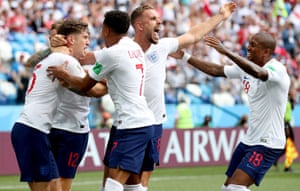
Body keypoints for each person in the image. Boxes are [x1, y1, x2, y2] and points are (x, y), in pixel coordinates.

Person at [49, 3, 237, 190]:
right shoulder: (125, 49)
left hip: (150, 121)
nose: (160, 22)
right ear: (139, 25)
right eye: (153, 18)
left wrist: (221, 15)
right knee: (117, 179)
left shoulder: (161, 46)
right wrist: (60, 44)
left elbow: (194, 35)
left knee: (134, 180)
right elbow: (81, 56)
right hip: (125, 121)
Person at [46, 10, 156, 191]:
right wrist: (58, 47)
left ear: (105, 30)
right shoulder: (133, 47)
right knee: (133, 184)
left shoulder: (112, 54)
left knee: (112, 184)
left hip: (131, 125)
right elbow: (87, 58)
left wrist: (63, 74)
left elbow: (84, 85)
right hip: (142, 122)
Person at [180, 31, 290, 191]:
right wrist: (185, 57)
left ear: (266, 52)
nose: (249, 47)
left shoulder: (277, 69)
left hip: (268, 142)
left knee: (234, 188)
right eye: (249, 43)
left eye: (254, 45)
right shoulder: (245, 68)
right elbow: (215, 70)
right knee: (227, 188)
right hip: (249, 140)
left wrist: (226, 51)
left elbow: (259, 73)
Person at [10, 18, 91, 191]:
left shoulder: (54, 59)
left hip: (39, 128)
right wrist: (107, 79)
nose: (88, 42)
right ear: (70, 40)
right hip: (36, 129)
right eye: (84, 37)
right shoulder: (63, 60)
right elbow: (91, 89)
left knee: (55, 187)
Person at [26, 20, 108, 191]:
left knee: (61, 184)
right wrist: (52, 48)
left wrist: (73, 81)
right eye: (85, 37)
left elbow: (97, 91)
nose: (87, 41)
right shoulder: (54, 59)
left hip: (73, 129)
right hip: (51, 127)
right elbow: (30, 62)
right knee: (44, 182)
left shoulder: (88, 59)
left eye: (88, 37)